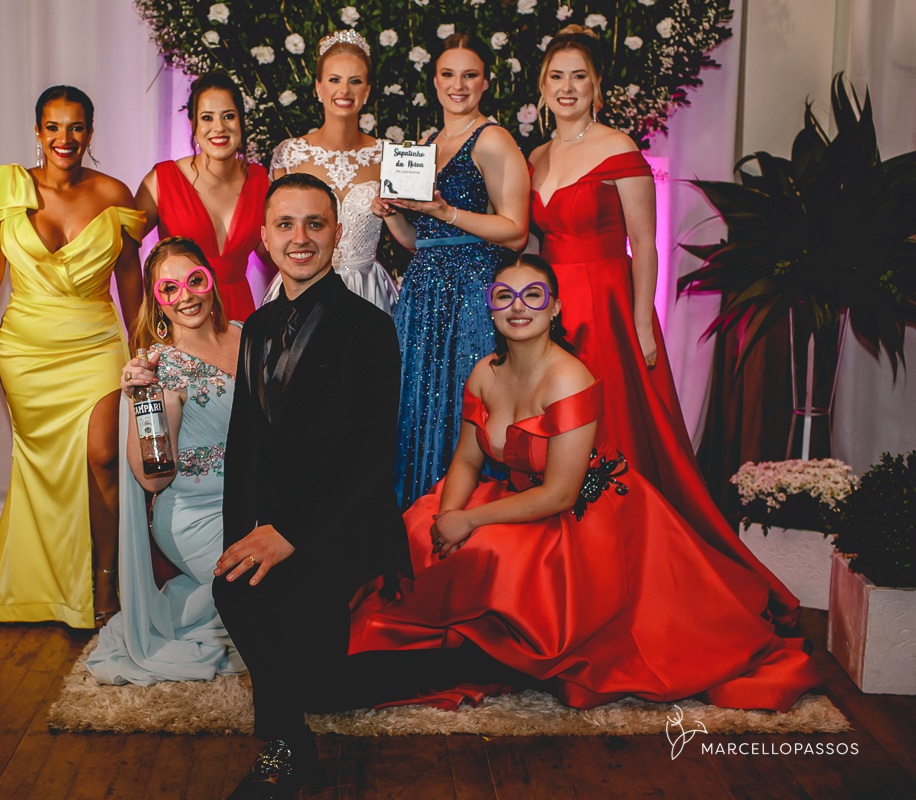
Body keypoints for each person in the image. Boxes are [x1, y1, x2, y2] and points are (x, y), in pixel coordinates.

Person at [349, 254, 822, 713]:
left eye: (534, 295)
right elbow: (467, 460)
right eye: (505, 296)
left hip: (585, 513)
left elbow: (560, 493)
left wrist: (469, 521)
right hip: (522, 498)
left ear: (555, 307)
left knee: (492, 552)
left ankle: (491, 648)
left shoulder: (570, 378)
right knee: (419, 524)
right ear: (490, 306)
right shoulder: (484, 373)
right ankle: (463, 640)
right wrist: (448, 515)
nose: (518, 306)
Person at [526, 26, 800, 621]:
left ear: (597, 85)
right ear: (542, 87)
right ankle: (563, 561)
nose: (567, 87)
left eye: (579, 76)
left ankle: (625, 559)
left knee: (611, 430)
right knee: (556, 427)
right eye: (556, 77)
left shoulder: (618, 146)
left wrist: (642, 323)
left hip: (604, 305)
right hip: (550, 312)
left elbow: (645, 244)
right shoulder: (535, 157)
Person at [212, 173, 414, 798]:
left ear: (337, 233)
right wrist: (241, 534)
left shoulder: (370, 328)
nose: (300, 238)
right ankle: (290, 742)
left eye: (315, 224)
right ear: (265, 237)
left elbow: (370, 453)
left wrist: (290, 533)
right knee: (236, 586)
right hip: (276, 519)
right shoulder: (255, 326)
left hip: (346, 519)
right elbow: (245, 443)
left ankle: (288, 735)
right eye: (285, 225)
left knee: (313, 660)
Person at [0, 86, 144, 628]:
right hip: (26, 353)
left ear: (90, 132)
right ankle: (47, 585)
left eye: (76, 127)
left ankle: (106, 578)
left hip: (97, 344)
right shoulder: (7, 189)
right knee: (44, 468)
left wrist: (143, 346)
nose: (65, 138)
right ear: (37, 131)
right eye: (53, 127)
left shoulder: (113, 192)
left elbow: (130, 275)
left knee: (103, 456)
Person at [373, 32, 530, 508]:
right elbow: (417, 240)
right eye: (448, 74)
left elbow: (516, 232)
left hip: (472, 290)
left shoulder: (493, 139)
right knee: (420, 403)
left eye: (469, 75)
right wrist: (392, 214)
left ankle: (469, 517)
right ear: (435, 80)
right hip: (424, 290)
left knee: (465, 402)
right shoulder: (427, 143)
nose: (457, 85)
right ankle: (417, 517)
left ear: (486, 82)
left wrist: (447, 212)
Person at [85, 236, 245, 685]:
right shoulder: (158, 370)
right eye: (169, 288)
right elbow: (154, 482)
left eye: (194, 280)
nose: (185, 296)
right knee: (274, 595)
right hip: (195, 514)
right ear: (157, 302)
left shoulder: (246, 335)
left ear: (211, 281)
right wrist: (143, 403)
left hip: (255, 503)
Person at [264, 30, 398, 313]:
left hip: (368, 291)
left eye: (355, 81)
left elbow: (410, 240)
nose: (344, 90)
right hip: (302, 287)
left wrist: (392, 213)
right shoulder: (289, 154)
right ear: (319, 87)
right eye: (335, 80)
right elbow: (276, 233)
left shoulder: (389, 155)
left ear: (367, 90)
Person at [137, 71, 272, 323]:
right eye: (207, 117)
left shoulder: (262, 182)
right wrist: (140, 315)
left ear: (242, 120)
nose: (219, 127)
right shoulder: (161, 181)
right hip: (184, 314)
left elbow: (273, 254)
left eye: (228, 116)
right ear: (193, 125)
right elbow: (122, 252)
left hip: (240, 316)